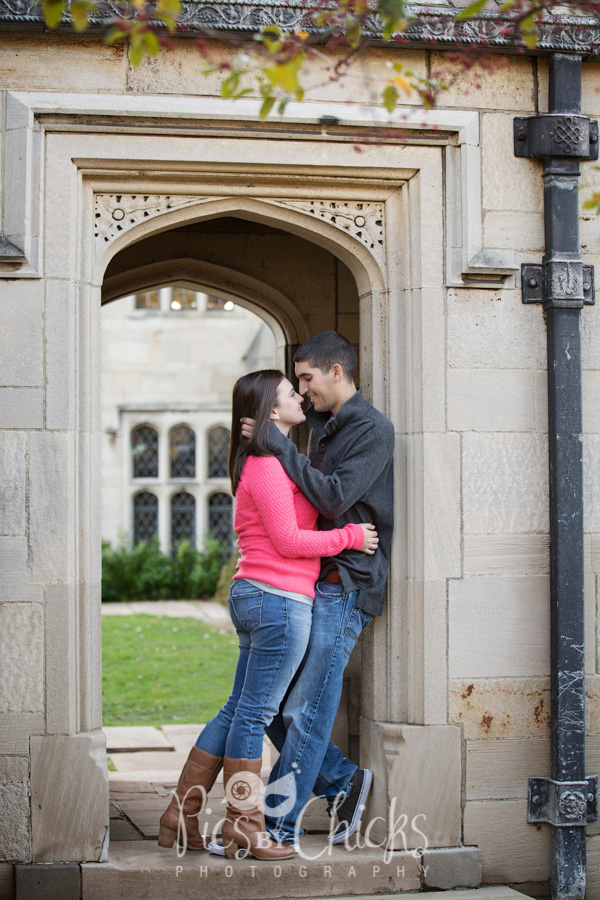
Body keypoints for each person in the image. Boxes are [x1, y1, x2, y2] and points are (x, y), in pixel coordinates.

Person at [157, 368, 378, 861]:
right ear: (271, 412)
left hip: (264, 596)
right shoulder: (266, 464)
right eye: (289, 391)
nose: (301, 395)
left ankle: (181, 812)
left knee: (239, 708)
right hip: (277, 599)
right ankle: (246, 823)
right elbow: (289, 541)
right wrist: (352, 537)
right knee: (255, 713)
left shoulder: (274, 457)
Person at [243, 331, 395, 848]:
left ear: (337, 372)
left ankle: (278, 827)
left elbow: (331, 499)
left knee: (303, 710)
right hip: (310, 585)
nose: (303, 391)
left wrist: (280, 447)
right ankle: (342, 780)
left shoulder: (373, 430)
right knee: (271, 701)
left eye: (307, 378)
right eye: (298, 381)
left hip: (348, 584)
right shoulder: (324, 429)